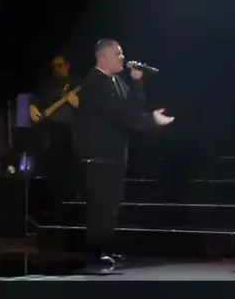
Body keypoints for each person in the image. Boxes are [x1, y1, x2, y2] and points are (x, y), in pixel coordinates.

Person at [75, 39, 174, 273]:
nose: (123, 58)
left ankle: (105, 250)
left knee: (111, 205)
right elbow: (121, 116)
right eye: (118, 54)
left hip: (115, 155)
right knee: (100, 207)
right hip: (99, 156)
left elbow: (132, 109)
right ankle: (95, 255)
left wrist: (137, 83)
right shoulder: (94, 83)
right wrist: (151, 120)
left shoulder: (116, 81)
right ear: (103, 57)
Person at [29, 54, 80, 211]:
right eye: (53, 66)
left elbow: (86, 108)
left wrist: (76, 102)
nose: (56, 68)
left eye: (60, 65)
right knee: (52, 171)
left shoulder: (76, 83)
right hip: (51, 133)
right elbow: (36, 103)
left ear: (67, 66)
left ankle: (72, 205)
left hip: (71, 133)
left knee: (70, 171)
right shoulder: (47, 86)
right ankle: (52, 207)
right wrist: (32, 107)